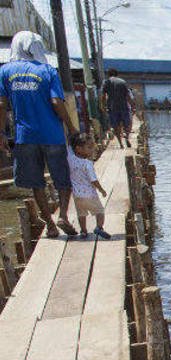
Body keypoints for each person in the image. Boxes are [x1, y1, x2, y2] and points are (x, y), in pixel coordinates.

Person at [0, 31, 79, 238]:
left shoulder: (5, 72)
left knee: (36, 182)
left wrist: (1, 133)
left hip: (24, 137)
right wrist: (71, 128)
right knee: (62, 179)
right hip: (52, 135)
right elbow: (56, 102)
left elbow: (2, 104)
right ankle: (63, 214)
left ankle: (50, 225)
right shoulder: (47, 71)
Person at [67, 132, 110, 240]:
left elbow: (68, 148)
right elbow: (93, 180)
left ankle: (83, 231)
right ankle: (99, 227)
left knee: (81, 214)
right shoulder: (87, 163)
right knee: (100, 211)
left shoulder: (70, 159)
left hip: (77, 195)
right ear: (78, 149)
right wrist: (101, 190)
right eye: (89, 147)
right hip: (90, 194)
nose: (92, 150)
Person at [101, 68, 133, 148]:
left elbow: (103, 96)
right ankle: (126, 135)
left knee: (116, 126)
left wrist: (103, 106)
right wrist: (133, 105)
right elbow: (128, 96)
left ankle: (121, 144)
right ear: (117, 74)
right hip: (124, 106)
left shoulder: (106, 82)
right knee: (127, 123)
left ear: (108, 74)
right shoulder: (122, 82)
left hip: (112, 107)